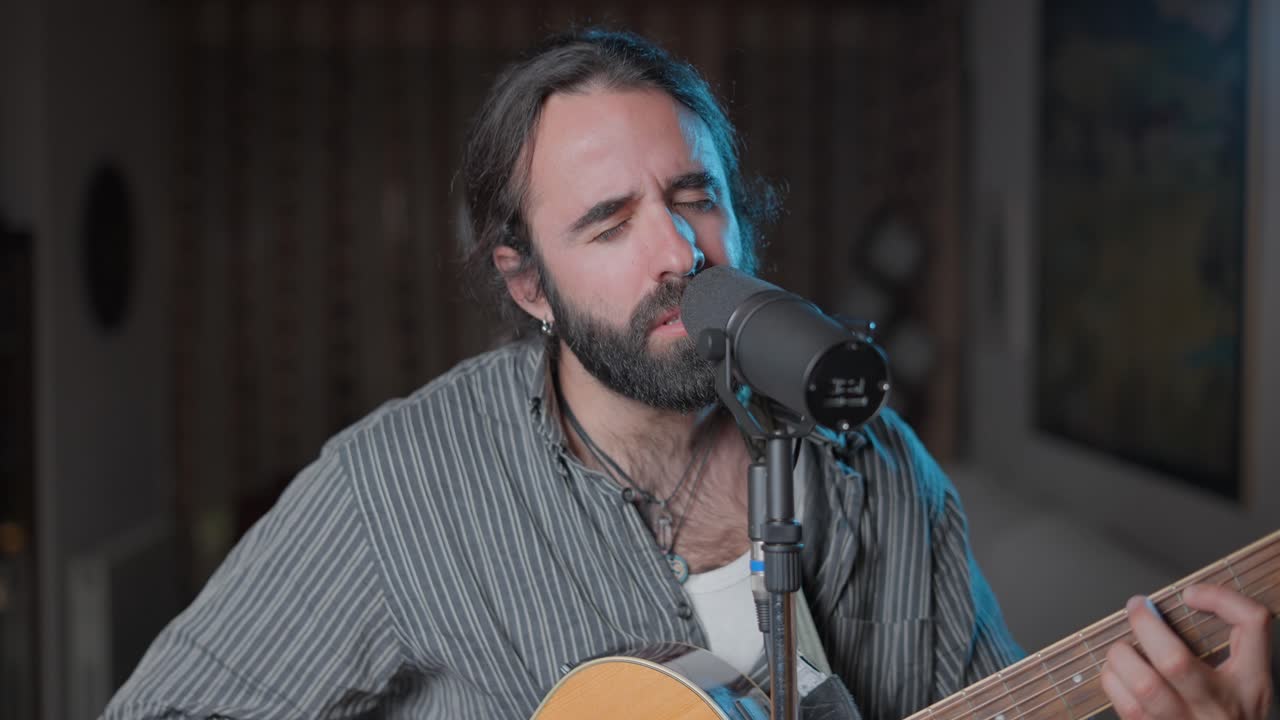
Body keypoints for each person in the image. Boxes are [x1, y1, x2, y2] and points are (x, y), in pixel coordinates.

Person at [103, 28, 1273, 720]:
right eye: (608, 223)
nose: (676, 253)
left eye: (693, 197)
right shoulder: (392, 487)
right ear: (527, 285)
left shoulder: (875, 470)